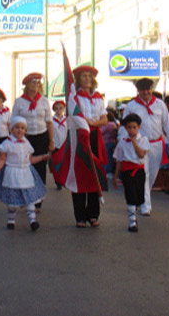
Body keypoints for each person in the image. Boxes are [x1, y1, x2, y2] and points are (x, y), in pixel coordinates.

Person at [123, 78, 169, 215]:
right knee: (144, 175)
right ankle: (145, 205)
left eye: (148, 89)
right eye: (143, 90)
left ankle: (141, 198)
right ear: (138, 91)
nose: (146, 92)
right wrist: (125, 142)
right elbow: (125, 126)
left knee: (152, 175)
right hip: (139, 144)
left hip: (157, 144)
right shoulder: (131, 106)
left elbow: (167, 123)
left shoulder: (160, 105)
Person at [0, 116, 49, 231]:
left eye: (22, 128)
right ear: (11, 129)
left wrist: (41, 157)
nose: (19, 130)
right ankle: (11, 220)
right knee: (12, 201)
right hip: (12, 173)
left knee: (29, 197)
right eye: (17, 127)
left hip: (26, 173)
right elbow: (2, 159)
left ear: (25, 131)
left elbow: (30, 160)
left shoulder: (27, 143)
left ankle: (32, 221)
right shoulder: (7, 143)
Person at [70, 65, 108, 228]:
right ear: (78, 80)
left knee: (94, 173)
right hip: (81, 136)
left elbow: (104, 119)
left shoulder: (99, 97)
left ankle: (93, 213)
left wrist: (93, 122)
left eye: (89, 76)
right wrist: (86, 123)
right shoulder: (74, 97)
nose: (87, 79)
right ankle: (79, 215)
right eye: (84, 76)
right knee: (81, 173)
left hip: (95, 136)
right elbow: (74, 116)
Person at [12, 73, 54, 210]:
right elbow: (14, 122)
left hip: (41, 136)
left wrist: (51, 140)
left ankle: (38, 198)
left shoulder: (44, 101)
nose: (35, 85)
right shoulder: (19, 102)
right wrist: (15, 139)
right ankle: (25, 196)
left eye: (37, 83)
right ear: (27, 85)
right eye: (32, 82)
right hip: (26, 138)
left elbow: (49, 122)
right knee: (25, 168)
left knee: (40, 168)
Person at [113, 114, 150, 232]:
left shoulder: (143, 140)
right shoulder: (122, 142)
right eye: (129, 127)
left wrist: (134, 142)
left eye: (134, 127)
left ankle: (136, 209)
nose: (131, 130)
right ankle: (132, 221)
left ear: (139, 127)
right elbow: (119, 160)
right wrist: (115, 176)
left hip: (139, 170)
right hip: (127, 171)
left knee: (139, 196)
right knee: (130, 195)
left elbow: (141, 154)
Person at [52, 100, 67, 190]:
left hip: (65, 145)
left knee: (64, 164)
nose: (58, 110)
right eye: (56, 108)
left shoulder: (67, 120)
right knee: (56, 164)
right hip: (56, 145)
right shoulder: (51, 121)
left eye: (60, 108)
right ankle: (57, 181)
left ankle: (63, 180)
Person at [101, 110, 118, 178]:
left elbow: (101, 131)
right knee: (111, 157)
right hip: (112, 142)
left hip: (106, 142)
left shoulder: (108, 124)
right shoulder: (114, 124)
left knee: (107, 157)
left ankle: (108, 171)